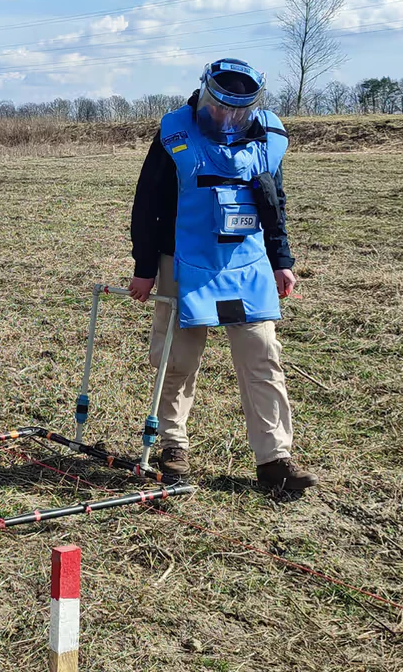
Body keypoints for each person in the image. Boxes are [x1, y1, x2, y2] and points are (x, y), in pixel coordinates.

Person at [127, 58, 318, 493]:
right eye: (219, 107)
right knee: (177, 359)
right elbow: (148, 202)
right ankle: (172, 445)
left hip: (246, 264)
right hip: (183, 262)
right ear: (204, 95)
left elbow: (273, 203)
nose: (226, 118)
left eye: (238, 111)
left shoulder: (269, 139)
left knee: (262, 356)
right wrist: (145, 268)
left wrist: (281, 260)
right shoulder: (174, 133)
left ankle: (275, 459)